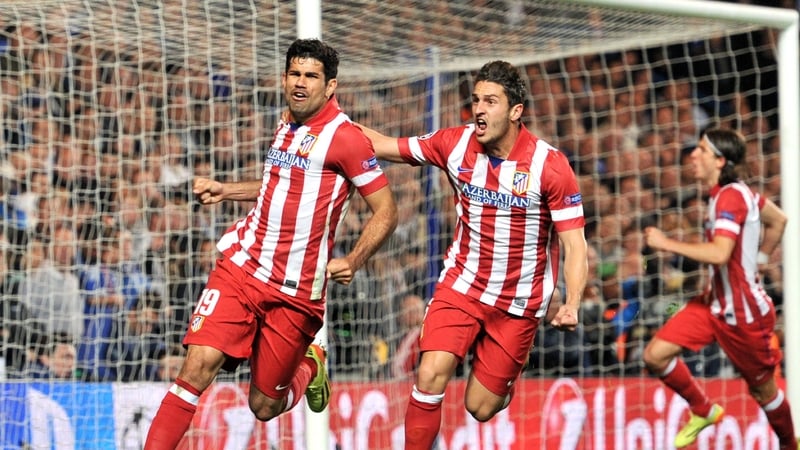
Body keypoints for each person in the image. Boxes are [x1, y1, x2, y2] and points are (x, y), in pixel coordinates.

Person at [144, 38, 398, 449]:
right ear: (284, 78)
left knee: (263, 405)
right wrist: (227, 190)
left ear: (330, 86)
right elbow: (278, 187)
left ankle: (310, 366)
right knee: (195, 367)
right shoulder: (286, 122)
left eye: (311, 76)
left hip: (296, 290)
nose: (300, 83)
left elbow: (386, 209)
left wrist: (354, 258)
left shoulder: (346, 139)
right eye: (294, 74)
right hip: (242, 266)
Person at [361, 60, 587, 449]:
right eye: (476, 100)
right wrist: (326, 124)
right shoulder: (455, 142)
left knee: (480, 407)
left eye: (491, 101)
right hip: (462, 285)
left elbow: (574, 244)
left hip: (518, 302)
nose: (479, 109)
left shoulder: (550, 167)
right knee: (429, 373)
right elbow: (386, 146)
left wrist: (572, 301)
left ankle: (508, 374)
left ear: (516, 111)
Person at [642, 128, 797, 449]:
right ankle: (703, 409)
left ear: (720, 160)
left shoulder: (730, 197)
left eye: (701, 150)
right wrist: (761, 259)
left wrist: (665, 242)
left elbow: (719, 253)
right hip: (713, 303)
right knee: (655, 355)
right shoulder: (739, 194)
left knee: (763, 392)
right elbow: (778, 220)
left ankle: (789, 443)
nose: (693, 156)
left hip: (743, 315)